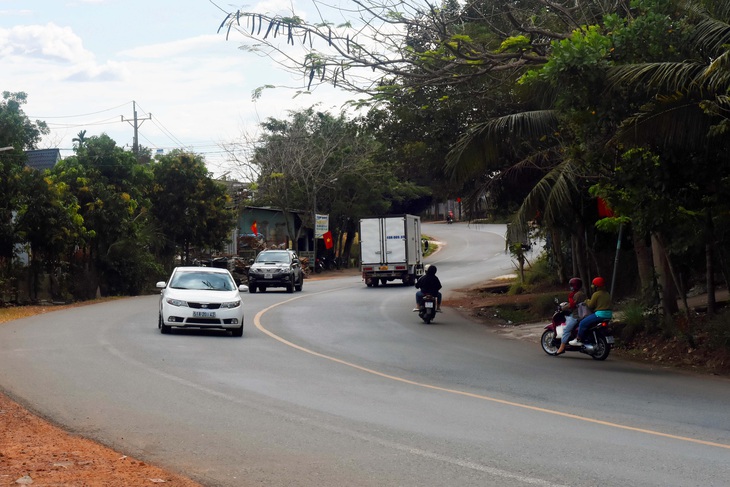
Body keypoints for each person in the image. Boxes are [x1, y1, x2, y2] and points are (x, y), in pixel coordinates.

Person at [569, 276, 612, 346]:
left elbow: (591, 305)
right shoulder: (607, 293)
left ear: (596, 286)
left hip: (599, 314)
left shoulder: (596, 294)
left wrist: (586, 301)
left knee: (582, 323)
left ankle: (578, 339)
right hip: (609, 314)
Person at [555, 277, 586, 356]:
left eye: (572, 285)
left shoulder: (576, 295)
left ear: (575, 286)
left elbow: (572, 305)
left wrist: (562, 308)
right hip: (584, 314)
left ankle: (561, 348)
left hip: (577, 316)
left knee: (566, 330)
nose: (571, 287)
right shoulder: (582, 293)